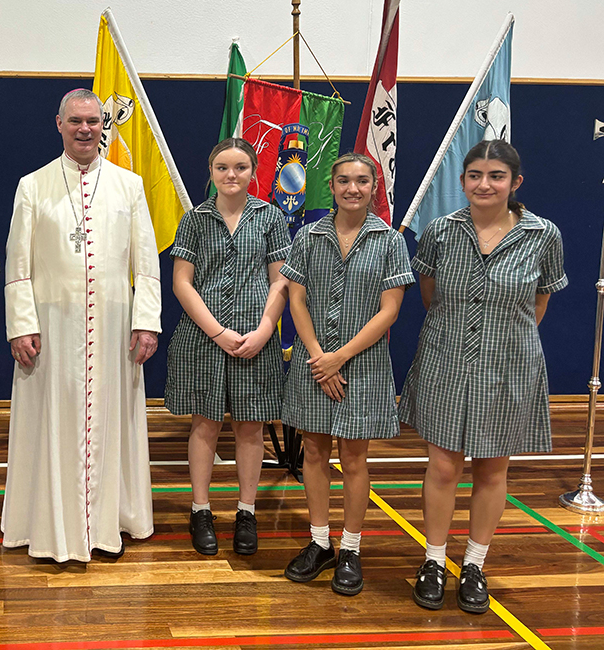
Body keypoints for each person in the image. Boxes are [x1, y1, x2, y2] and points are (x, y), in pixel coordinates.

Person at [400, 140, 566, 614]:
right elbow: (429, 293)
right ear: (462, 181)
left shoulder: (542, 235)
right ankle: (433, 561)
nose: (484, 184)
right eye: (475, 175)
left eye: (496, 176)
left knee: (493, 469)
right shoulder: (440, 231)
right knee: (444, 467)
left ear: (515, 183)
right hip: (445, 358)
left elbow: (540, 301)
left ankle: (474, 563)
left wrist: (500, 341)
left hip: (510, 363)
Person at [1, 88, 161, 562]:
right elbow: (18, 265)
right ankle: (47, 525)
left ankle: (112, 521)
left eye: (93, 121)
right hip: (52, 329)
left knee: (112, 417)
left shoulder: (128, 186)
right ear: (59, 124)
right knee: (51, 418)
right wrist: (20, 325)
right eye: (75, 121)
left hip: (114, 328)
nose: (85, 129)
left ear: (102, 125)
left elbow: (147, 263)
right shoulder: (33, 185)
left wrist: (146, 321)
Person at [279, 153, 413, 596]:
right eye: (343, 181)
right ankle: (320, 543)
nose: (352, 188)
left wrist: (340, 357)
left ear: (373, 187)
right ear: (331, 187)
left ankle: (351, 548)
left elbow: (389, 310)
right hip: (313, 365)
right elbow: (295, 300)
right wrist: (319, 356)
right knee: (313, 454)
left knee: (354, 459)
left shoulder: (389, 240)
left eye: (361, 181)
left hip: (363, 367)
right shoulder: (309, 235)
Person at [165, 138, 290, 556]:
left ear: (254, 172)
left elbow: (280, 280)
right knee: (205, 424)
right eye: (222, 167)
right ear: (211, 172)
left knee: (251, 425)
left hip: (256, 338)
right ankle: (201, 510)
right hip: (204, 338)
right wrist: (218, 331)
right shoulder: (195, 219)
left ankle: (246, 510)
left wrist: (265, 329)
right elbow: (182, 282)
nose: (230, 175)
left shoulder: (270, 217)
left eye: (239, 167)